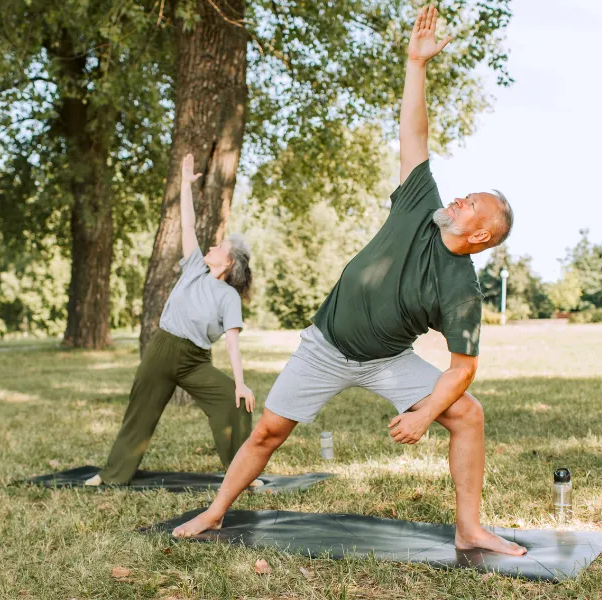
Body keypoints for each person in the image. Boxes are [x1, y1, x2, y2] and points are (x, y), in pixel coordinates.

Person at [173, 6, 525, 556]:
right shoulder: (420, 204)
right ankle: (214, 514)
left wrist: (426, 412)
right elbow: (414, 130)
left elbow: (464, 368)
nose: (460, 198)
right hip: (326, 345)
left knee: (468, 414)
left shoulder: (461, 287)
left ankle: (470, 528)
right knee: (268, 433)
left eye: (472, 203)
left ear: (481, 236)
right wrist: (416, 64)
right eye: (465, 193)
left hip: (386, 359)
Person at [85, 153, 256, 486]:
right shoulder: (194, 267)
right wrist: (185, 185)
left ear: (229, 262)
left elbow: (233, 344)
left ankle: (242, 476)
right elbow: (188, 224)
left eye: (219, 245)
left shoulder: (229, 297)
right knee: (140, 412)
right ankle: (112, 476)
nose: (212, 244)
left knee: (234, 402)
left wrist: (240, 382)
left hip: (195, 361)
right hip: (163, 349)